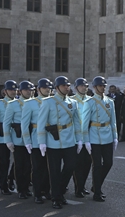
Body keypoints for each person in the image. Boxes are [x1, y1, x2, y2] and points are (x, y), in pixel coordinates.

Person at [37, 76, 82, 209]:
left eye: (68, 85)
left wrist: (79, 139)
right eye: (63, 85)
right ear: (56, 88)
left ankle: (59, 191)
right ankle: (56, 198)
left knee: (70, 166)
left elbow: (77, 122)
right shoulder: (48, 102)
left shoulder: (73, 102)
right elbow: (41, 123)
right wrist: (42, 142)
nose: (66, 87)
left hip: (69, 140)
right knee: (54, 171)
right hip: (53, 141)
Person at [82, 76, 118, 202]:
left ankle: (96, 185)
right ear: (94, 87)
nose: (103, 88)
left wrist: (115, 137)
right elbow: (84, 123)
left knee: (108, 163)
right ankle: (97, 191)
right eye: (100, 86)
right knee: (97, 165)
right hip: (94, 136)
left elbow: (113, 121)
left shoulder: (110, 101)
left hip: (107, 135)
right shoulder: (90, 102)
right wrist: (86, 140)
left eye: (104, 86)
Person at [22, 78, 52, 203]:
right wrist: (27, 141)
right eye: (45, 88)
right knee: (38, 167)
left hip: (50, 138)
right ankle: (37, 192)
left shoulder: (53, 102)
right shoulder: (30, 103)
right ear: (39, 89)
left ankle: (47, 190)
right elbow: (24, 124)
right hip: (35, 139)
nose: (48, 90)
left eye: (49, 88)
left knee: (49, 167)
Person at [2, 81, 33, 198]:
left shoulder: (35, 103)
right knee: (20, 165)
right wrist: (8, 140)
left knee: (29, 166)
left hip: (31, 139)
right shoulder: (13, 104)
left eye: (31, 90)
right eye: (26, 90)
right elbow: (6, 123)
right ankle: (21, 189)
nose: (29, 92)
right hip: (18, 139)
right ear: (20, 91)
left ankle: (26, 186)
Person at [0, 80, 18, 195]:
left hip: (16, 137)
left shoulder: (19, 103)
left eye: (15, 90)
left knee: (19, 162)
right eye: (11, 90)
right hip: (2, 138)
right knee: (4, 162)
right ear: (5, 91)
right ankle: (3, 184)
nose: (13, 92)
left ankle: (11, 177)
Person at [71, 78, 92, 197]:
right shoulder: (72, 100)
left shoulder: (91, 100)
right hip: (76, 136)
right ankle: (78, 187)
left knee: (87, 163)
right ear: (76, 88)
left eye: (86, 86)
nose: (84, 88)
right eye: (81, 86)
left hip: (89, 136)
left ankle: (82, 185)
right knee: (78, 164)